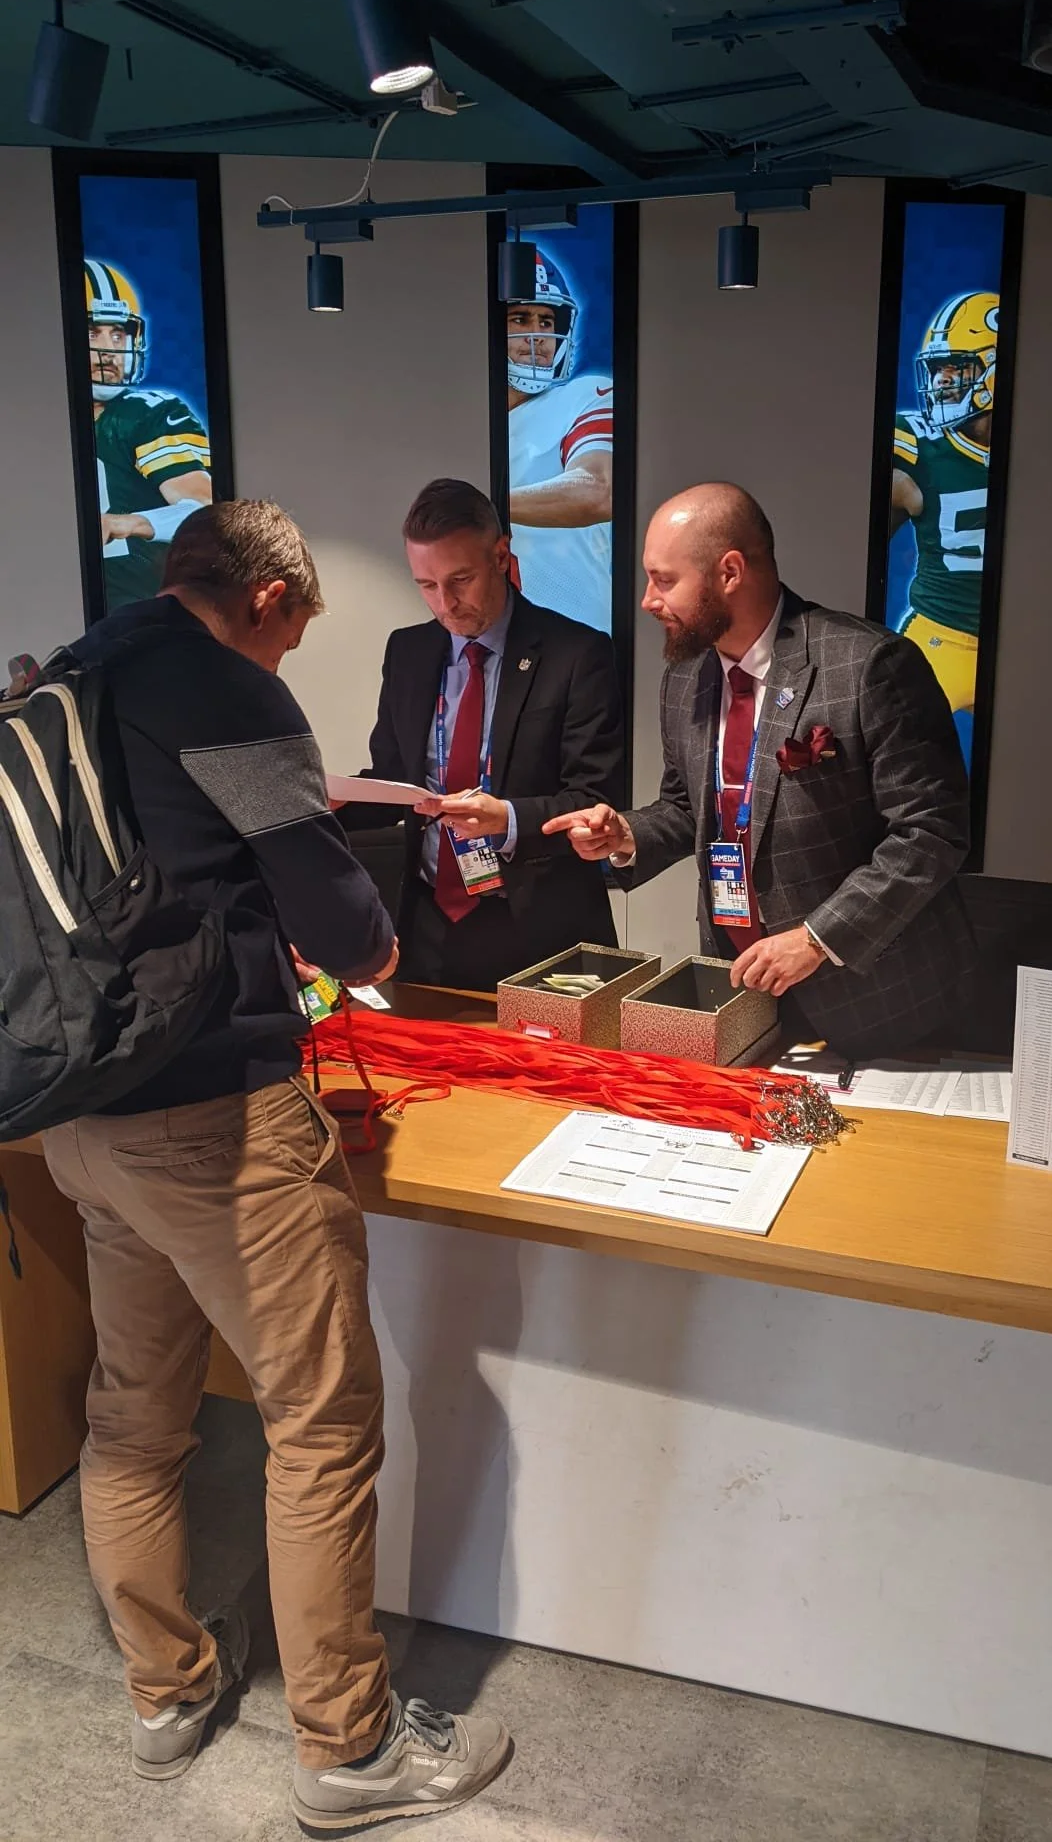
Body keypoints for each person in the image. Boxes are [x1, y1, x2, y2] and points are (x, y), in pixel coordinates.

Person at [39, 500, 511, 1833]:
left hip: (81, 1119)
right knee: (319, 1419)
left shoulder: (84, 670)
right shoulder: (224, 690)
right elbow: (353, 941)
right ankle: (346, 1753)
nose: (289, 663)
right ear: (264, 599)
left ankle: (166, 1691)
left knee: (136, 1411)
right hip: (215, 1121)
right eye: (295, 635)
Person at [545, 482, 978, 1059]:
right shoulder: (685, 677)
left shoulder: (869, 664)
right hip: (745, 987)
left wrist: (820, 939)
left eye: (665, 580)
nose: (648, 599)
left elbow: (931, 833)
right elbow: (684, 808)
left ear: (729, 572)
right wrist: (626, 836)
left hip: (878, 1000)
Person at [339, 477, 623, 992]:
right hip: (426, 921)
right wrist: (335, 800)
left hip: (538, 926)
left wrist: (507, 818)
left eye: (460, 579)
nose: (445, 603)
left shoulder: (577, 654)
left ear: (500, 556)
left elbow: (595, 796)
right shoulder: (408, 652)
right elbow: (395, 779)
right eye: (426, 586)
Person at [891, 290, 997, 724]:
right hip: (941, 637)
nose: (942, 380)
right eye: (938, 368)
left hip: (1022, 639)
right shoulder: (918, 444)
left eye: (958, 367)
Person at [86, 259, 214, 611]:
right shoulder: (37, 422)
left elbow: (204, 510)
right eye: (93, 333)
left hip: (146, 611)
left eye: (118, 333)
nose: (109, 349)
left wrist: (127, 523)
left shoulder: (147, 413)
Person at [506, 249, 613, 634]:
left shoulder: (586, 394)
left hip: (579, 636)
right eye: (520, 318)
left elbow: (599, 490)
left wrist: (485, 504)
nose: (538, 335)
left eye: (547, 320)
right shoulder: (457, 420)